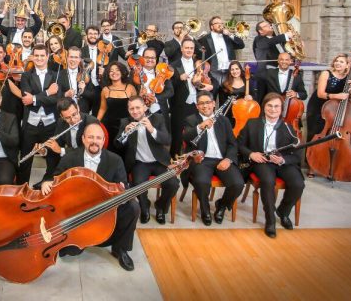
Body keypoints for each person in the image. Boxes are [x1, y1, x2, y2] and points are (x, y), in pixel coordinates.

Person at [40, 123, 140, 272]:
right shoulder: (70, 157)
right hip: (76, 211)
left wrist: (122, 192)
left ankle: (120, 249)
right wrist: (46, 183)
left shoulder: (115, 160)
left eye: (98, 138)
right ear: (83, 139)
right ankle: (81, 239)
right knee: (69, 253)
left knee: (133, 206)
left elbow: (123, 185)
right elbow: (54, 177)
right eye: (90, 137)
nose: (94, 141)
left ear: (103, 140)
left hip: (104, 210)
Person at [238, 93, 304, 238]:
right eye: (269, 105)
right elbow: (240, 145)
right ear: (264, 107)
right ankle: (270, 220)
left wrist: (282, 160)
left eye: (276, 106)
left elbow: (298, 152)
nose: (273, 109)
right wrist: (251, 154)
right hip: (261, 161)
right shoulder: (252, 123)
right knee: (268, 182)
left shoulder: (287, 127)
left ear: (281, 109)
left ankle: (283, 212)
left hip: (281, 163)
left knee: (298, 184)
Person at [182, 91, 244, 226]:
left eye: (208, 103)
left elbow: (232, 143)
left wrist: (228, 159)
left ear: (213, 104)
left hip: (222, 159)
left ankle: (221, 205)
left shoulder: (223, 120)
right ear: (197, 106)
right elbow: (186, 137)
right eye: (201, 104)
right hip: (202, 160)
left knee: (238, 184)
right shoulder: (191, 120)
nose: (205, 106)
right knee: (202, 182)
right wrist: (200, 127)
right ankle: (205, 210)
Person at [116, 97, 177, 225]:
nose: (135, 111)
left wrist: (152, 129)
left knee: (173, 183)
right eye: (131, 108)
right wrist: (125, 134)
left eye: (138, 107)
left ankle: (161, 207)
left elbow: (167, 139)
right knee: (138, 183)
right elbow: (117, 145)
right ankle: (145, 207)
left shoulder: (157, 119)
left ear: (144, 107)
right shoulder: (125, 122)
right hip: (140, 162)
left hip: (159, 161)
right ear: (128, 110)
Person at [18, 44, 62, 185]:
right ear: (33, 57)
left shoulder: (56, 75)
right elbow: (27, 100)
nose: (39, 58)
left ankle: (48, 185)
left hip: (50, 124)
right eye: (36, 55)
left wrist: (35, 98)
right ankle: (22, 189)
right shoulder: (26, 75)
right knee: (26, 158)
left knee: (52, 158)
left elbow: (57, 100)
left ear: (47, 56)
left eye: (42, 55)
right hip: (31, 124)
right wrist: (48, 93)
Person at [39, 97, 99, 181]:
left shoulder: (91, 122)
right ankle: (50, 179)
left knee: (59, 152)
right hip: (71, 156)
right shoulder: (61, 122)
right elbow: (57, 143)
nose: (73, 120)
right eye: (67, 118)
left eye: (74, 114)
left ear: (78, 108)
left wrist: (61, 150)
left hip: (87, 159)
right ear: (62, 116)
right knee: (52, 155)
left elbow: (88, 151)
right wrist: (44, 150)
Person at [169, 39, 213, 155]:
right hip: (180, 104)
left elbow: (209, 81)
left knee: (195, 131)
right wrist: (179, 79)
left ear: (194, 50)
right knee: (177, 134)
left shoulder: (199, 64)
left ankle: (194, 158)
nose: (189, 50)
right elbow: (169, 88)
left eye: (191, 48)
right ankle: (174, 159)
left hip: (197, 104)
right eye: (186, 48)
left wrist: (208, 86)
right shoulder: (173, 66)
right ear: (181, 49)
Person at [306, 54, 351, 142]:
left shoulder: (348, 79)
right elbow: (320, 94)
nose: (337, 63)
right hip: (318, 107)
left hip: (333, 110)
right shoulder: (326, 74)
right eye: (336, 61)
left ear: (347, 65)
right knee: (315, 133)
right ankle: (310, 154)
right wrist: (337, 96)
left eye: (341, 62)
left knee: (330, 134)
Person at [96, 62, 138, 157]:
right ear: (108, 74)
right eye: (111, 71)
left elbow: (136, 107)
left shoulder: (130, 88)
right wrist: (96, 122)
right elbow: (102, 109)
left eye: (117, 70)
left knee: (127, 151)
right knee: (110, 152)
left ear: (122, 72)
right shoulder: (105, 90)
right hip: (109, 125)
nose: (114, 73)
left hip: (127, 125)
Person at [198, 16, 245, 87]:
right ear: (211, 26)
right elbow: (199, 53)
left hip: (228, 71)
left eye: (221, 23)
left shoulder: (228, 37)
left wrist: (230, 34)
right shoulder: (205, 39)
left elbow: (241, 45)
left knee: (226, 94)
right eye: (217, 23)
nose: (220, 25)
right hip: (214, 71)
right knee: (213, 93)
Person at [138, 48, 174, 128]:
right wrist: (138, 95)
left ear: (156, 59)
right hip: (139, 112)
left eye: (152, 58)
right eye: (147, 57)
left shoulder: (163, 72)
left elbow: (170, 91)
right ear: (142, 58)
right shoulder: (136, 73)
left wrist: (155, 99)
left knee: (161, 138)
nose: (150, 60)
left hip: (160, 111)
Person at [219, 61, 261, 127]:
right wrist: (230, 102)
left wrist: (251, 97)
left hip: (246, 112)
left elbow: (255, 96)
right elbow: (222, 102)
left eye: (237, 69)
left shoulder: (247, 81)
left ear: (240, 69)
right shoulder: (225, 85)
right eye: (232, 69)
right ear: (229, 71)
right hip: (232, 114)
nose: (235, 71)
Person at [81, 25, 104, 115]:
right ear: (86, 36)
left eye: (95, 34)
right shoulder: (81, 51)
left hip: (99, 87)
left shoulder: (104, 52)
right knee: (83, 115)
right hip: (85, 87)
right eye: (90, 33)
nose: (93, 36)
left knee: (98, 116)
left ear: (98, 35)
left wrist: (104, 71)